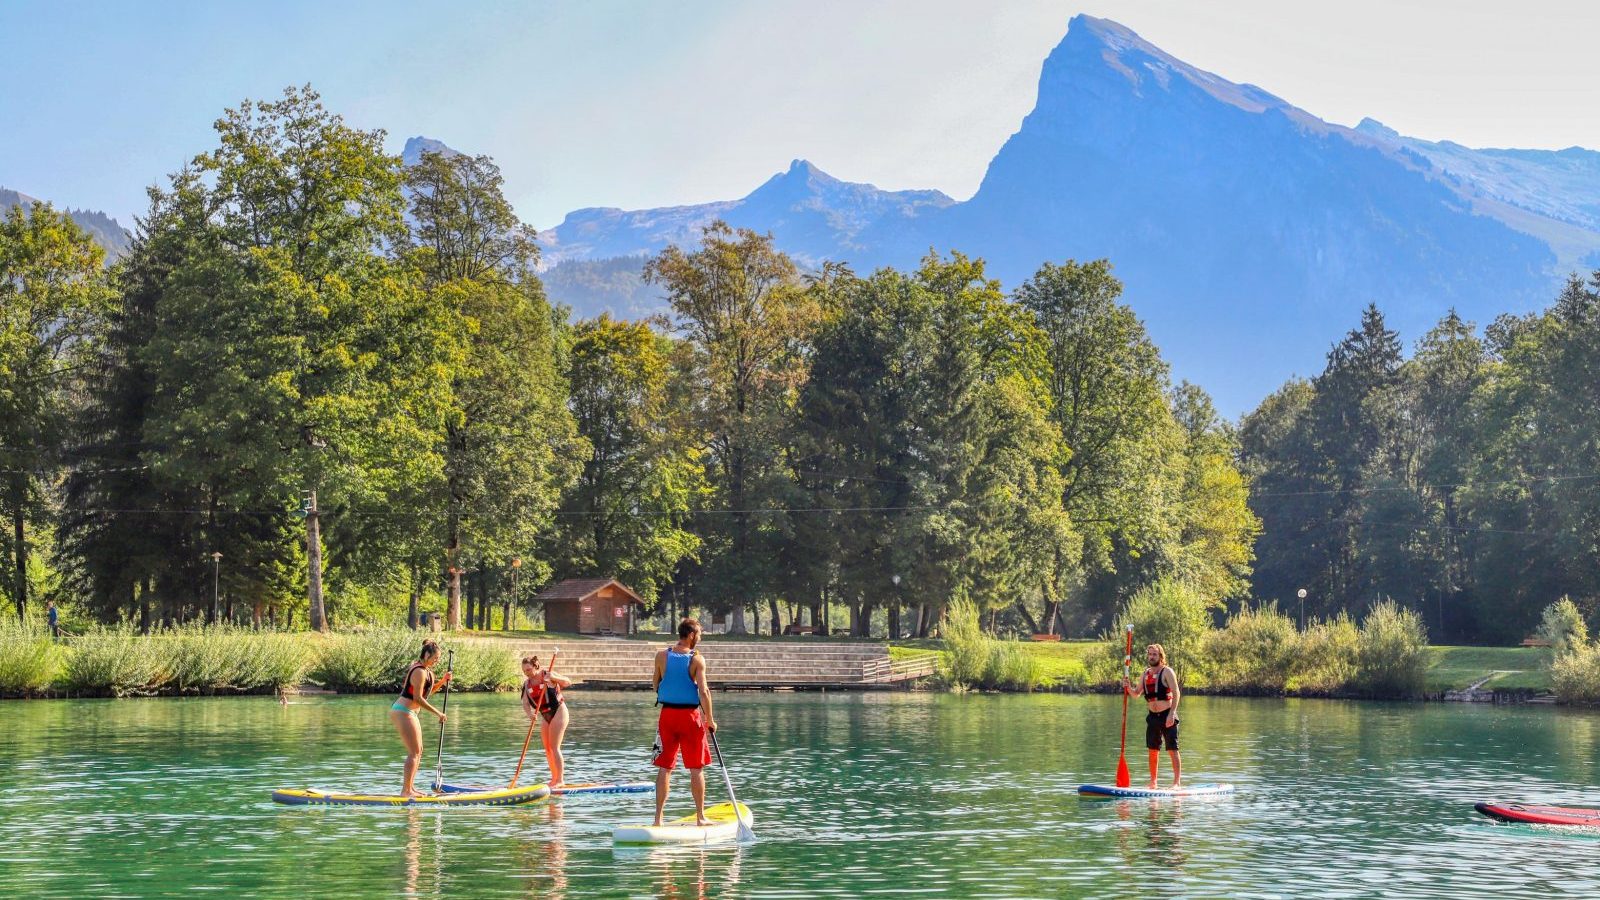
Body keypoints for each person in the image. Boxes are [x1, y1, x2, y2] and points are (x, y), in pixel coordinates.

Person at [651, 617, 717, 826]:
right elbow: (704, 691)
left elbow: (655, 685)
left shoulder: (661, 655)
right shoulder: (697, 659)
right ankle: (700, 817)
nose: (700, 639)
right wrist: (710, 719)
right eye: (699, 635)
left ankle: (658, 820)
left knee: (665, 767)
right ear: (691, 635)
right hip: (690, 717)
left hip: (667, 717)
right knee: (696, 768)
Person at [390, 639, 452, 797]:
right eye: (435, 658)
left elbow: (427, 693)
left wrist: (443, 681)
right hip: (403, 711)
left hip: (409, 712)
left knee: (419, 751)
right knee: (414, 752)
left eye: (438, 658)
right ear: (426, 654)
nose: (436, 661)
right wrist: (438, 713)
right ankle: (406, 791)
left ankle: (410, 788)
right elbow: (417, 698)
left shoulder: (427, 671)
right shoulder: (419, 671)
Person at [1124, 642, 1181, 789]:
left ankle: (1176, 783)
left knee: (1172, 749)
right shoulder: (1145, 674)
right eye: (1150, 654)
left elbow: (1176, 693)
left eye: (1154, 654)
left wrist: (1172, 713)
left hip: (1167, 715)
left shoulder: (1167, 672)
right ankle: (1153, 782)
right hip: (1152, 717)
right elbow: (1136, 694)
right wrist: (1127, 686)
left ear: (1160, 656)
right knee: (1153, 750)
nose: (1152, 656)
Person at [520, 654, 573, 788]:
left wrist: (554, 678)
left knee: (555, 747)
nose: (526, 673)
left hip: (559, 712)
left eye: (528, 670)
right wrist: (530, 714)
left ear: (535, 666)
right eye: (524, 671)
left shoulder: (547, 675)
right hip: (545, 715)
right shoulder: (527, 684)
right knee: (548, 749)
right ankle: (554, 779)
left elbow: (567, 682)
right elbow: (525, 703)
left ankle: (560, 780)